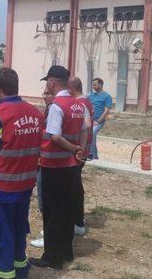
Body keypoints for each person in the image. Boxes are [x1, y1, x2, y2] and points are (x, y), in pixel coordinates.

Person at [0, 68, 43, 279]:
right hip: (25, 187)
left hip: (1, 189)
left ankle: (5, 275)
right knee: (18, 229)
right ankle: (21, 271)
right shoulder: (35, 113)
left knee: (1, 235)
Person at [29, 65, 86, 270]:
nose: (47, 85)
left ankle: (52, 257)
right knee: (68, 209)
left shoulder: (57, 105)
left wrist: (73, 148)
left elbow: (54, 135)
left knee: (53, 212)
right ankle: (66, 252)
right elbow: (85, 129)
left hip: (54, 165)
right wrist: (79, 151)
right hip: (71, 166)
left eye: (47, 82)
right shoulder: (78, 104)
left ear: (52, 81)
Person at [67, 76, 93, 237]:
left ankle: (77, 221)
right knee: (76, 186)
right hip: (83, 150)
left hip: (79, 151)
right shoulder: (88, 101)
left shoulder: (80, 104)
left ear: (71, 89)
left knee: (74, 187)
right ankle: (77, 220)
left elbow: (87, 125)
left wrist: (78, 147)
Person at [29, 89, 54, 248]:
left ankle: (50, 236)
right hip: (51, 160)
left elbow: (51, 137)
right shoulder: (49, 109)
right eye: (43, 93)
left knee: (45, 200)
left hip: (47, 161)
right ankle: (52, 232)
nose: (44, 96)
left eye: (47, 93)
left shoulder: (54, 109)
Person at [88, 78, 112, 160]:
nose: (93, 86)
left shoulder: (107, 96)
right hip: (89, 120)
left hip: (99, 120)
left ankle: (92, 155)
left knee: (93, 132)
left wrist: (98, 121)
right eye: (93, 85)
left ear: (101, 85)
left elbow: (106, 111)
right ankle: (93, 155)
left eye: (95, 84)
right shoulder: (91, 95)